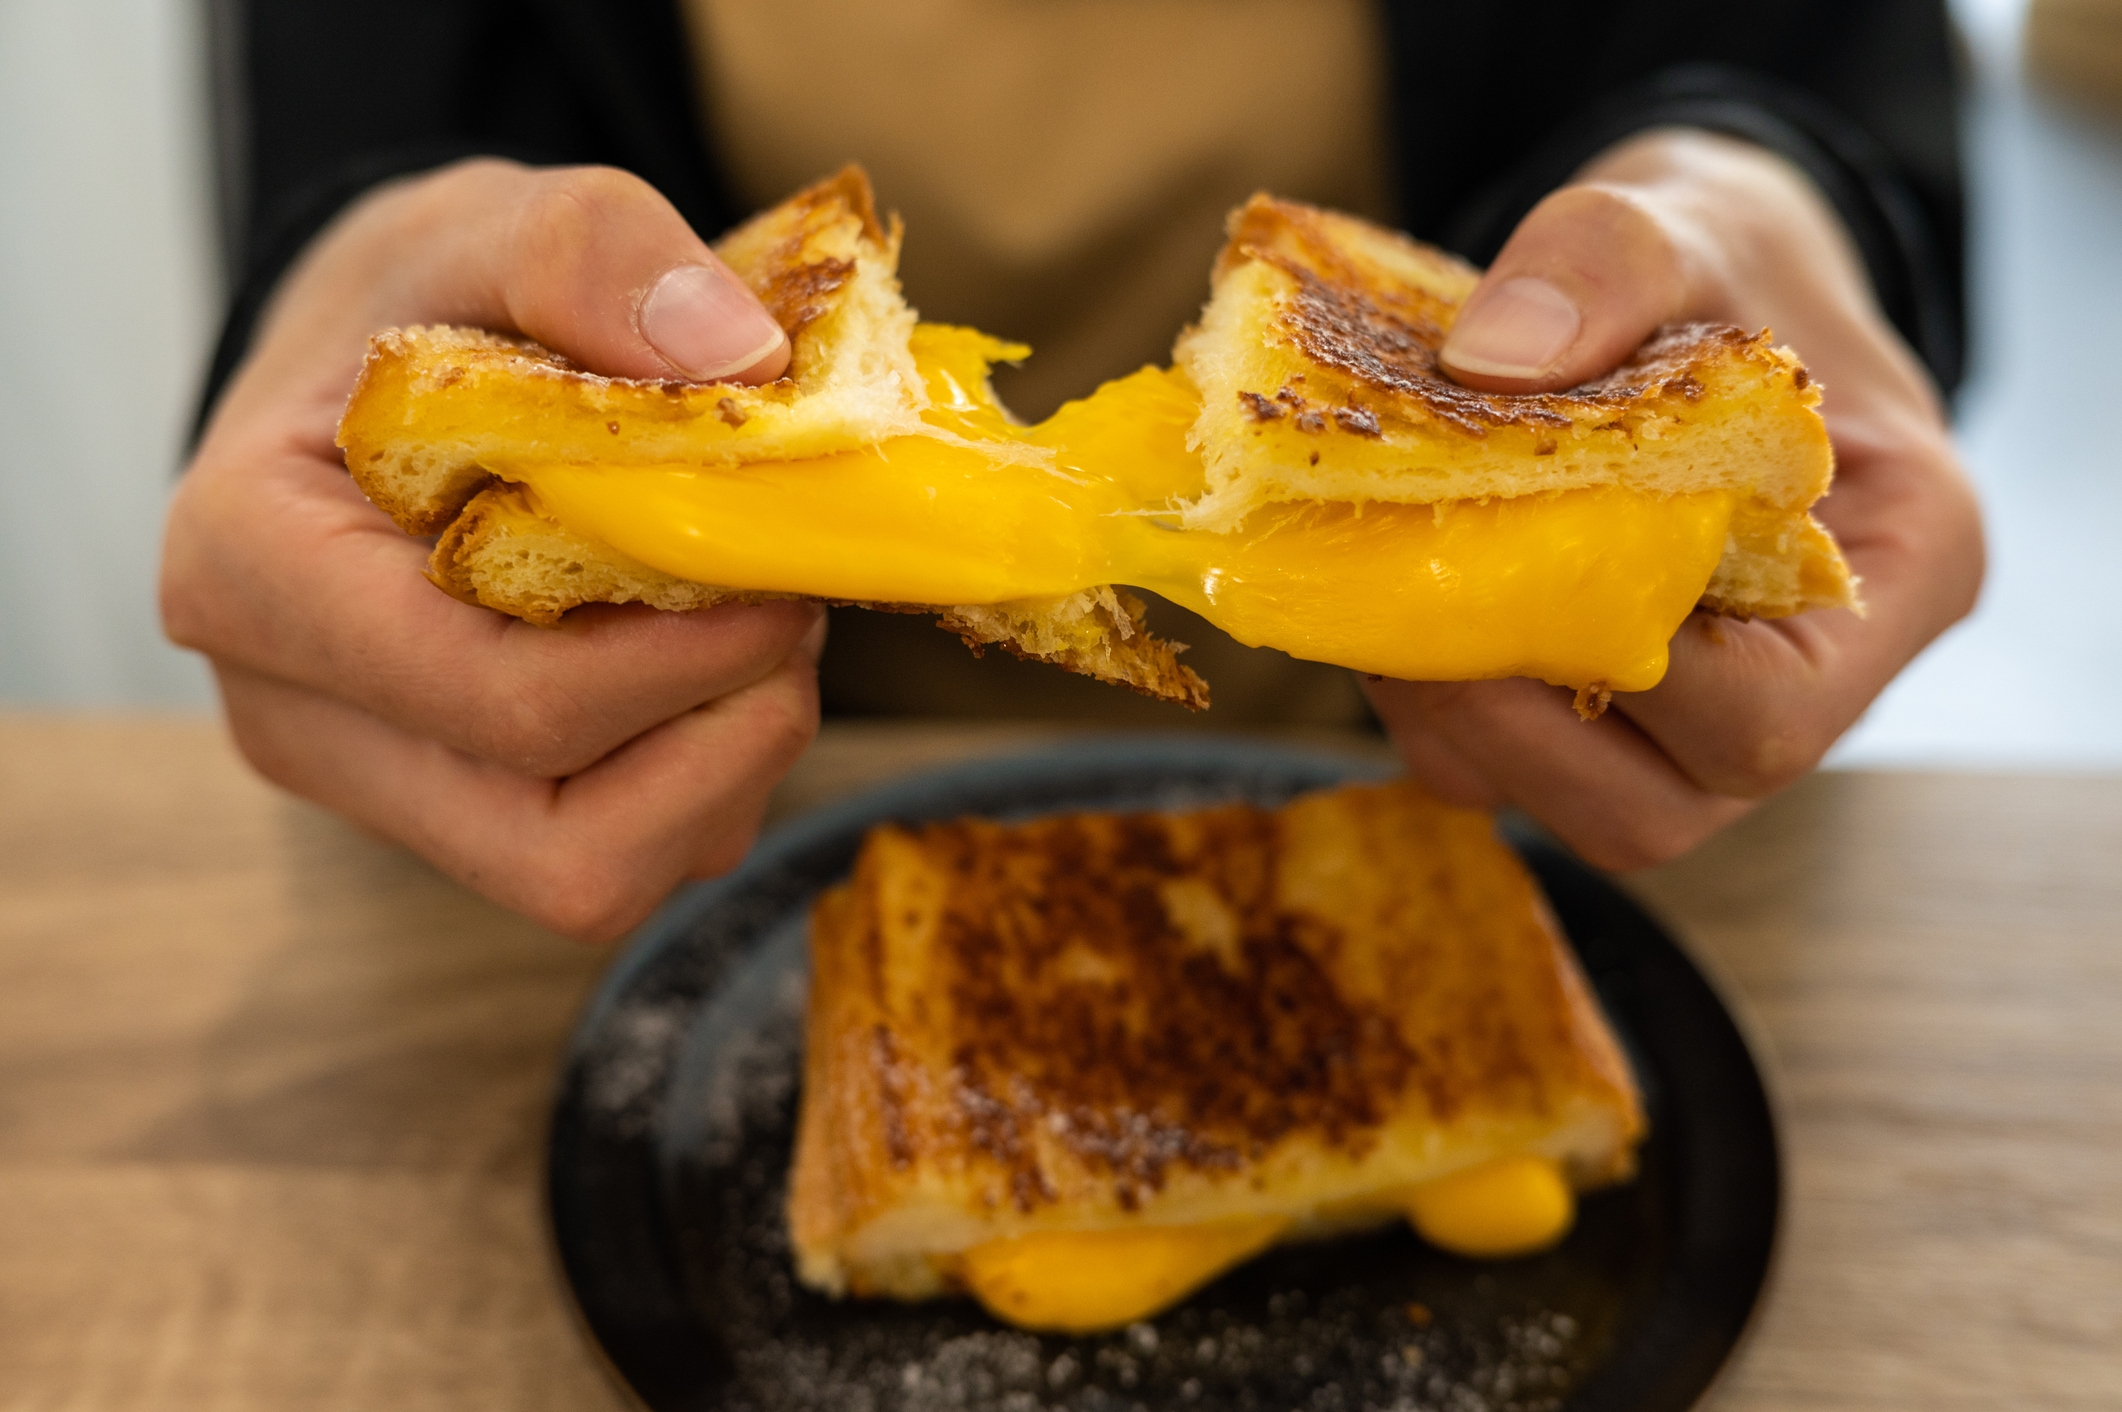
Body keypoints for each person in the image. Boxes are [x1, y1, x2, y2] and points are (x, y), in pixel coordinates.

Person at [162, 0, 1983, 941]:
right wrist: (355, 257)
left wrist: (1764, 191)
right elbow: (375, 127)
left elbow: (1812, 67)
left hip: (1493, 794)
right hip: (703, 810)